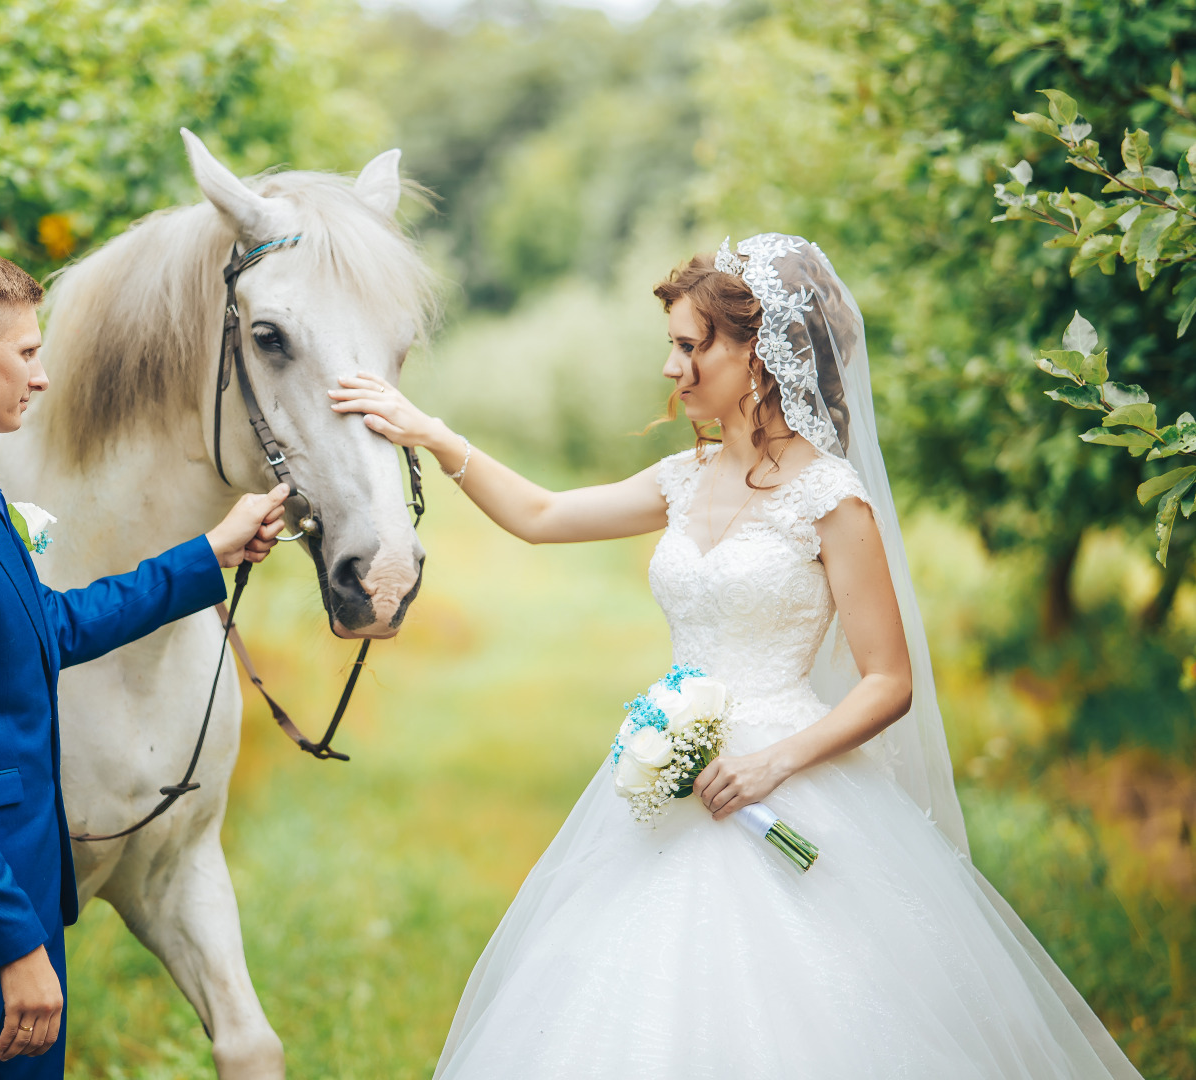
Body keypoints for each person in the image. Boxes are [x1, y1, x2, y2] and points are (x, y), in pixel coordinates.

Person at [329, 234, 1143, 1079]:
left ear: (757, 352)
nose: (671, 367)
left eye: (690, 346)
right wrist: (427, 432)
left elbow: (888, 682)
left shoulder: (829, 497)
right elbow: (539, 513)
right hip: (667, 783)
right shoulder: (684, 478)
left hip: (787, 781)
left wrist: (771, 766)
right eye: (671, 346)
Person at [0, 242, 288, 1079]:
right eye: (29, 353)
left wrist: (205, 555)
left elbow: (47, 626)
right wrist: (14, 947)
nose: (42, 377)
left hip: (5, 918)